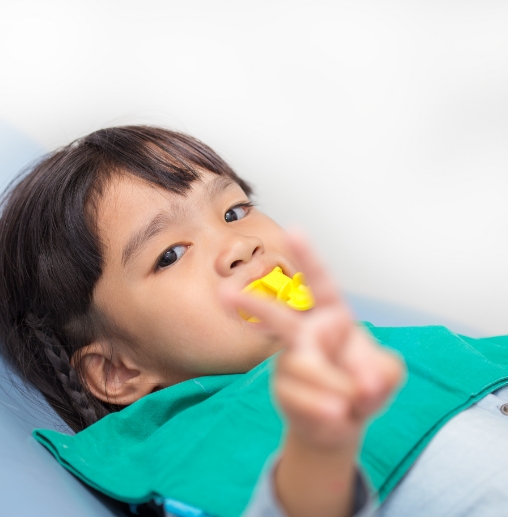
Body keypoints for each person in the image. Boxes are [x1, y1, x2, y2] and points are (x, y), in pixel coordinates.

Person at [0, 126, 402, 517]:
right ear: (116, 369)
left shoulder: (377, 347)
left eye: (234, 211)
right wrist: (319, 454)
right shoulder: (199, 448)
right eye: (171, 254)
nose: (241, 246)